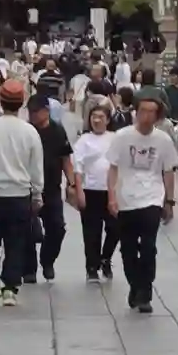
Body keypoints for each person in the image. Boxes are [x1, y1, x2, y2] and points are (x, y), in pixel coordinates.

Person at [0, 77, 44, 306]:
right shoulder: (30, 132)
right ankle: (10, 288)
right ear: (22, 102)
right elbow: (36, 167)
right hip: (19, 194)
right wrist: (37, 193)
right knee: (16, 242)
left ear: (0, 101)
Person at [106, 93, 178, 313]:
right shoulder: (122, 136)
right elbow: (113, 168)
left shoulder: (163, 140)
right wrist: (111, 197)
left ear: (158, 116)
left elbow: (168, 171)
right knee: (128, 248)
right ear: (135, 113)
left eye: (152, 112)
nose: (146, 116)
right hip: (126, 197)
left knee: (148, 247)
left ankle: (145, 292)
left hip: (152, 197)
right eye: (143, 111)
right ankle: (135, 285)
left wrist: (169, 201)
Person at [69, 101, 119, 281]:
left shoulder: (116, 138)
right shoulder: (84, 140)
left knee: (115, 228)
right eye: (94, 117)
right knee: (92, 231)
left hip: (112, 191)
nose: (97, 120)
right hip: (90, 190)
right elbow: (78, 167)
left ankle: (106, 257)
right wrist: (79, 190)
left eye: (101, 117)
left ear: (108, 120)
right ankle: (92, 266)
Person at [31, 94, 73, 284]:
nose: (33, 116)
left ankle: (47, 260)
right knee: (27, 230)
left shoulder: (58, 131)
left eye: (36, 112)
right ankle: (29, 269)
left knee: (57, 228)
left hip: (52, 188)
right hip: (29, 188)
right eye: (30, 112)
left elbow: (66, 159)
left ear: (46, 111)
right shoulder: (28, 131)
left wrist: (72, 183)